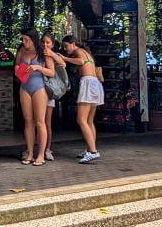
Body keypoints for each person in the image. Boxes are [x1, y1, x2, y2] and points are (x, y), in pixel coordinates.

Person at [63, 36, 104, 164]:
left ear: (73, 43)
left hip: (88, 83)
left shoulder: (79, 51)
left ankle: (93, 151)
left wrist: (65, 58)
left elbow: (80, 62)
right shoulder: (87, 53)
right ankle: (90, 149)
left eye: (66, 46)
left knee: (81, 119)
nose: (65, 49)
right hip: (95, 84)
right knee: (89, 121)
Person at [16, 29, 54, 166]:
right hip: (24, 87)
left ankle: (41, 155)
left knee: (40, 121)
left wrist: (38, 68)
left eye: (26, 39)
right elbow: (16, 67)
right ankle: (30, 153)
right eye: (22, 39)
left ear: (33, 39)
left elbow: (52, 72)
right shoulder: (21, 51)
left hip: (39, 88)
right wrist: (18, 70)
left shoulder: (43, 52)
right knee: (28, 121)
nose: (24, 42)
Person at [41, 33, 68, 161]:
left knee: (46, 122)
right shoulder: (38, 53)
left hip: (49, 90)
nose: (45, 45)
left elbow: (63, 64)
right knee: (36, 122)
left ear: (52, 44)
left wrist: (52, 55)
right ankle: (34, 148)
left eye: (48, 42)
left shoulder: (52, 55)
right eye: (43, 42)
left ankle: (47, 149)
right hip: (37, 89)